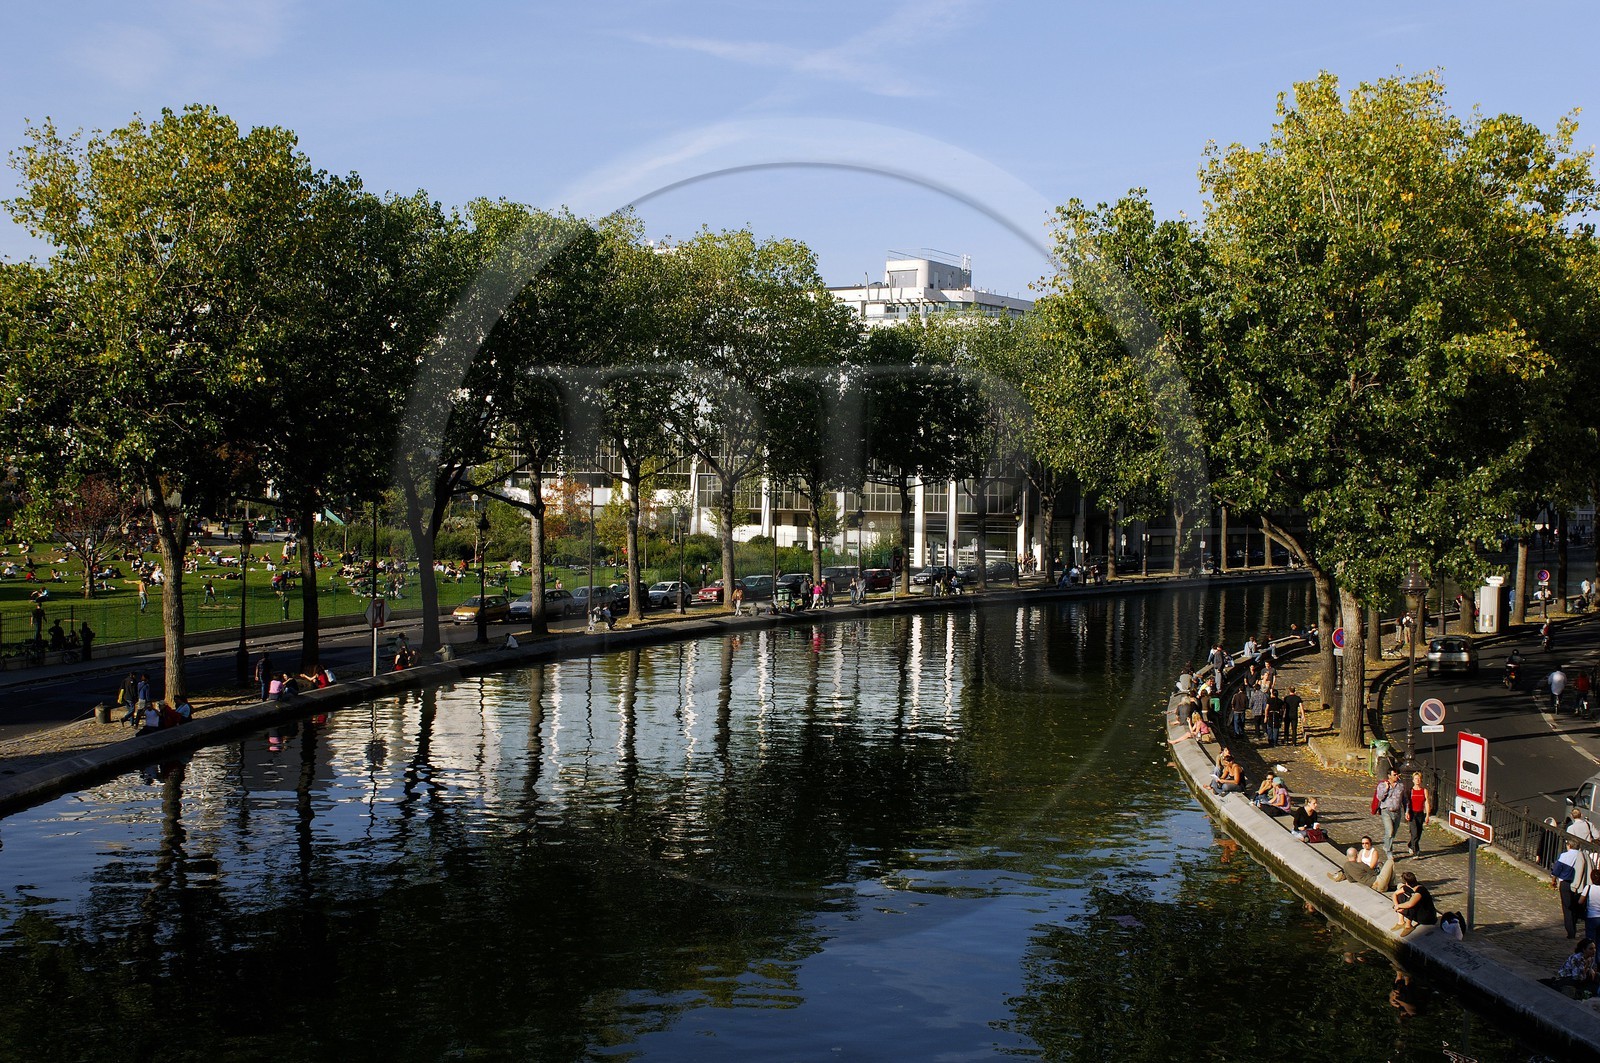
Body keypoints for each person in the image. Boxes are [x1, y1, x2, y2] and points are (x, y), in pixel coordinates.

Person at [1551, 839, 1590, 939]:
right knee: (1576, 906)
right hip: (1579, 884)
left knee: (1567, 907)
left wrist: (1553, 880)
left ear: (1569, 845)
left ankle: (1571, 931)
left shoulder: (1565, 855)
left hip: (1566, 883)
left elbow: (1557, 870)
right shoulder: (1583, 855)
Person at [1392, 871, 1437, 936]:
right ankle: (1401, 922)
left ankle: (1408, 926)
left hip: (1426, 916)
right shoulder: (1408, 887)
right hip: (1417, 913)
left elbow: (1410, 904)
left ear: (1406, 882)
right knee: (1400, 895)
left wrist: (1399, 906)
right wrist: (1396, 905)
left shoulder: (1420, 890)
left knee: (1412, 902)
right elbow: (1395, 894)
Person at [1374, 769, 1406, 859]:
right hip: (1386, 811)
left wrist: (1407, 811)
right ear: (1389, 776)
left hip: (1397, 812)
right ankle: (1389, 851)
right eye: (1394, 775)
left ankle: (1386, 845)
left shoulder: (1401, 785)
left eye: (1397, 774)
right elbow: (1379, 797)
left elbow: (1404, 799)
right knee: (1389, 832)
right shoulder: (1382, 785)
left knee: (1393, 833)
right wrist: (1386, 789)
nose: (1397, 776)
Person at [1405, 771, 1432, 857]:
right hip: (1412, 813)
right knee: (1414, 833)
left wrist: (1427, 815)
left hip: (1420, 814)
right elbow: (1407, 803)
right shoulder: (1410, 791)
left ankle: (1410, 844)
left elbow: (1427, 802)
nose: (1418, 780)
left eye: (1419, 779)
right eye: (1416, 779)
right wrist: (1407, 812)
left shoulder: (1424, 791)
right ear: (1413, 780)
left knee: (1419, 833)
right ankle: (1416, 851)